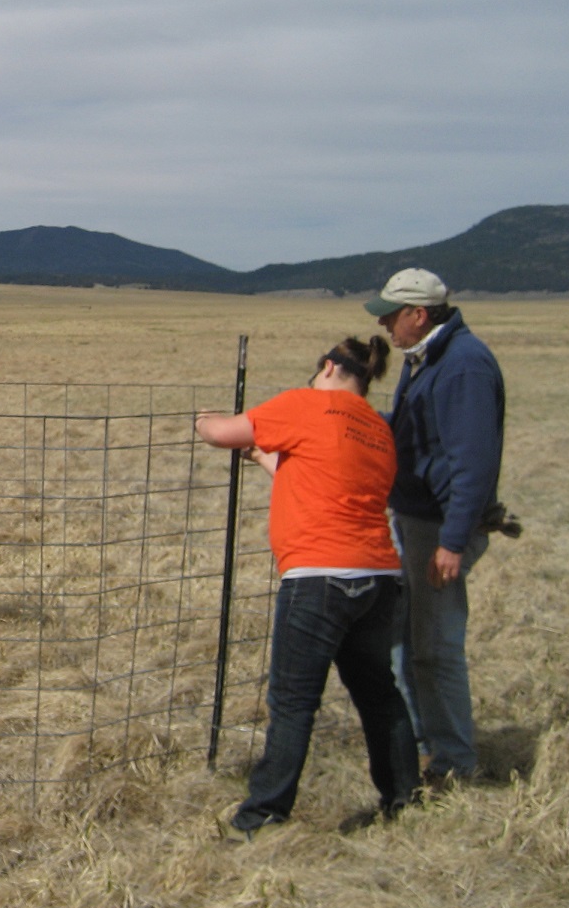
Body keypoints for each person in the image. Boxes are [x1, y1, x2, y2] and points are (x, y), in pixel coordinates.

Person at [197, 335, 420, 839]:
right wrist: (263, 459)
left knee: (294, 702)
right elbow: (321, 476)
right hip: (380, 578)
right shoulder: (377, 430)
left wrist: (202, 420)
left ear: (325, 367)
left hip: (319, 578)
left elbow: (222, 433)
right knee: (379, 694)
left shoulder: (305, 403)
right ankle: (404, 797)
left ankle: (261, 818)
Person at [366, 267, 505, 786]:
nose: (383, 323)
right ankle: (429, 746)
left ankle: (454, 764)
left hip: (438, 525)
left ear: (418, 315)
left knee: (434, 646)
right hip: (419, 518)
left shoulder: (463, 367)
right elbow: (412, 435)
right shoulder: (426, 358)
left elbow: (472, 463)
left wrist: (451, 542)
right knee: (407, 642)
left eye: (390, 313)